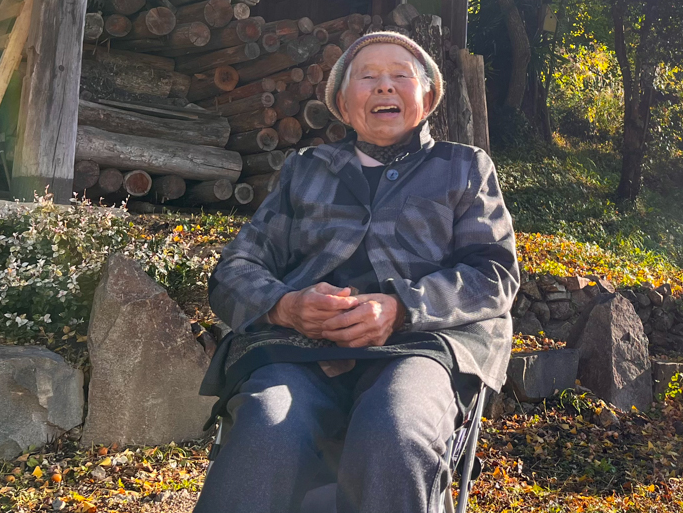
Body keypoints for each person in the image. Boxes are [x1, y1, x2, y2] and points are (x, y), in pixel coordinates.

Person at [194, 31, 519, 513]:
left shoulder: (463, 167)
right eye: (368, 77)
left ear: (428, 97)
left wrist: (402, 308)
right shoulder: (306, 169)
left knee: (396, 429)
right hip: (298, 350)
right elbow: (235, 269)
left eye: (400, 76)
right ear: (343, 106)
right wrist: (286, 307)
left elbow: (493, 275)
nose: (384, 86)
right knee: (266, 424)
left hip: (421, 349)